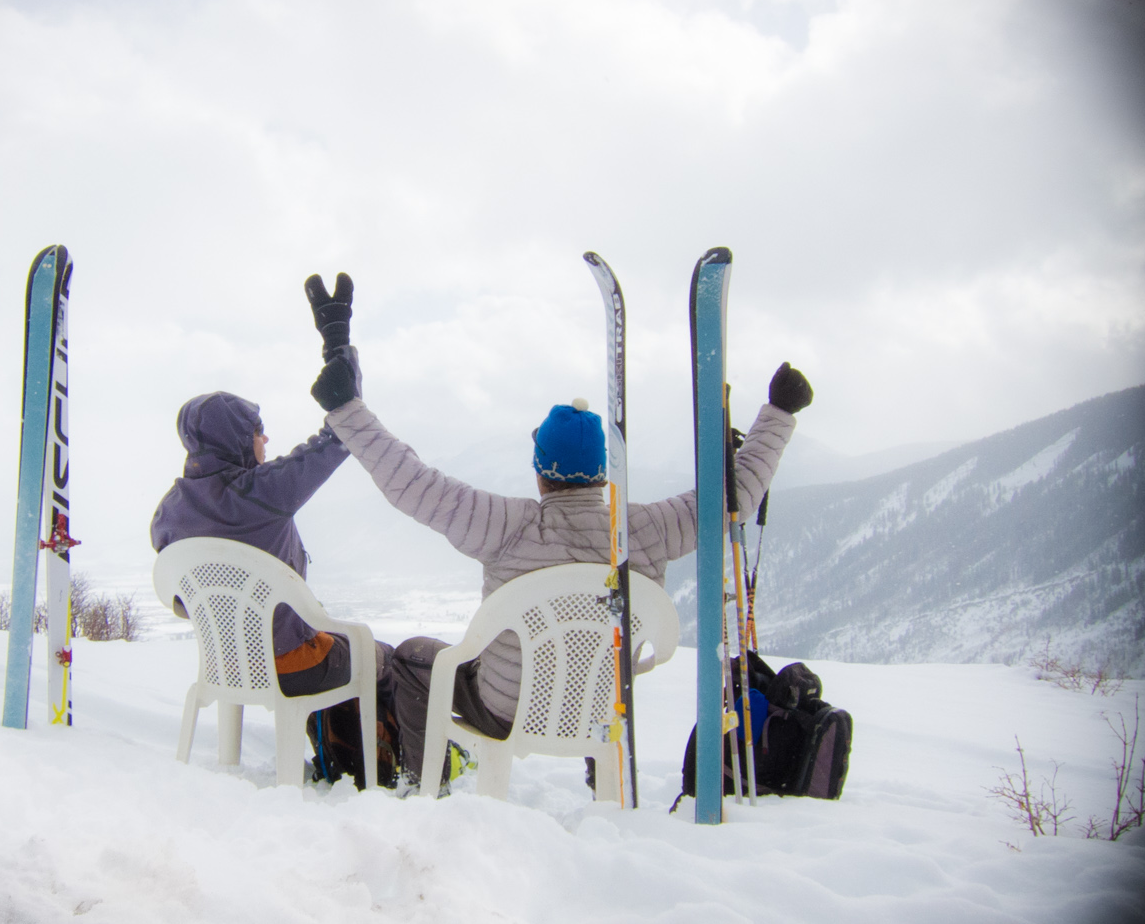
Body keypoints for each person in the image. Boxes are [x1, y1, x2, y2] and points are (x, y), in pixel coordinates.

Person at [306, 289, 813, 785]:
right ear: (602, 472)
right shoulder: (647, 530)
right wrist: (778, 414)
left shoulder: (504, 525)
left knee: (414, 657)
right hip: (604, 708)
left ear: (540, 472)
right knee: (604, 664)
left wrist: (348, 409)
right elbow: (734, 503)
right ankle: (605, 778)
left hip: (504, 710)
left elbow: (413, 484)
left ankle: (429, 781)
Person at [149, 275, 398, 775]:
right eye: (258, 431)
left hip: (226, 665)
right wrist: (338, 346)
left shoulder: (169, 511)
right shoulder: (263, 492)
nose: (266, 440)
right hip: (290, 665)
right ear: (239, 440)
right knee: (380, 658)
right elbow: (339, 438)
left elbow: (181, 599)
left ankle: (337, 755)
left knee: (334, 644)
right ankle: (384, 768)